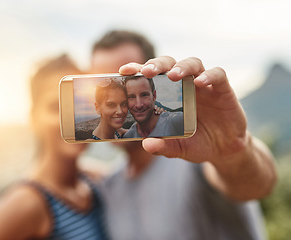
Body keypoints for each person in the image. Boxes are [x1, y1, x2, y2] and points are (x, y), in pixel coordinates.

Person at [89, 30, 277, 239]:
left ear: (153, 87)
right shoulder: (111, 187)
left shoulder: (197, 157)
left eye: (122, 80)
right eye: (104, 82)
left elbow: (257, 185)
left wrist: (233, 150)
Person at [0, 55, 109, 240]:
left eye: (80, 104)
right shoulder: (27, 202)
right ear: (34, 119)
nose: (71, 118)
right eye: (57, 107)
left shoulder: (95, 181)